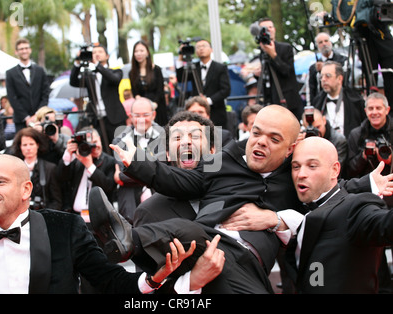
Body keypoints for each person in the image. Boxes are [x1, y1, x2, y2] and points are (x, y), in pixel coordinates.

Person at [108, 104, 393, 293]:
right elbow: (177, 181)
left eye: (273, 138)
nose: (260, 142)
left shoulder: (294, 179)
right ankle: (122, 239)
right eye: (256, 133)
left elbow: (333, 189)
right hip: (206, 242)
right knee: (187, 232)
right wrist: (138, 164)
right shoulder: (222, 164)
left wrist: (369, 183)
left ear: (290, 148)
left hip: (249, 265)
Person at [0, 154, 204, 294]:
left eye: (0, 182)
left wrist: (154, 279)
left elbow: (109, 280)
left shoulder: (64, 227)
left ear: (26, 190)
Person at [286, 136, 393, 293]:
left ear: (335, 170)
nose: (301, 174)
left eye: (312, 166)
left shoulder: (355, 208)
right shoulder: (294, 203)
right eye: (296, 167)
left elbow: (385, 224)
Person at [134, 110, 216, 226]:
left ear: (212, 150)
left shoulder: (233, 193)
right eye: (177, 137)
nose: (186, 142)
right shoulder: (149, 213)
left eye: (196, 136)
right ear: (168, 154)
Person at [112, 97, 165, 224]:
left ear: (153, 115)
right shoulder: (120, 140)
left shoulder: (165, 136)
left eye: (146, 115)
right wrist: (152, 169)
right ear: (130, 116)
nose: (141, 119)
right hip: (131, 196)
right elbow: (124, 175)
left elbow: (165, 171)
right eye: (137, 115)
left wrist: (132, 171)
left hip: (160, 192)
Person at [69, 43, 127, 151]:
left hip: (115, 118)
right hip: (97, 119)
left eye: (100, 52)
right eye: (94, 52)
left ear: (107, 56)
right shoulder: (89, 75)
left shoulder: (115, 71)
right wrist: (77, 62)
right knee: (102, 149)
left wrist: (96, 64)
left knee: (120, 148)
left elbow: (113, 79)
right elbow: (73, 82)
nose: (96, 54)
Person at [58, 127, 117, 219]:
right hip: (76, 216)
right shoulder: (76, 160)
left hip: (100, 217)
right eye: (90, 144)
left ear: (100, 139)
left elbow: (109, 186)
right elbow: (62, 178)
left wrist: (89, 165)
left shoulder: (110, 161)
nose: (94, 146)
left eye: (95, 142)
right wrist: (68, 154)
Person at [347, 93, 393, 203]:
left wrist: (390, 160)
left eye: (378, 108)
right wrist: (363, 156)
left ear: (387, 110)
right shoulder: (356, 134)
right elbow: (350, 171)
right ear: (365, 111)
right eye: (371, 108)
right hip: (366, 193)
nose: (374, 112)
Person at [255, 18, 303, 120]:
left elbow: (287, 72)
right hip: (271, 101)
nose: (268, 30)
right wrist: (257, 75)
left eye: (270, 27)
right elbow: (267, 79)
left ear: (274, 29)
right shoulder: (262, 52)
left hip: (288, 101)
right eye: (264, 28)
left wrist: (273, 55)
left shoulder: (285, 48)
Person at [176, 39, 231, 128]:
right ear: (195, 51)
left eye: (204, 46)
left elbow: (226, 90)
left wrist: (208, 100)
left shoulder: (220, 67)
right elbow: (180, 78)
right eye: (198, 47)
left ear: (211, 49)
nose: (201, 49)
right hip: (196, 114)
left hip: (216, 112)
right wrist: (180, 57)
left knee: (219, 138)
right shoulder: (193, 67)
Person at [10, 128, 62, 211]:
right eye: (25, 145)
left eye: (31, 144)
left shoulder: (50, 168)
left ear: (37, 145)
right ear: (20, 147)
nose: (28, 148)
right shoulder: (13, 169)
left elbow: (56, 201)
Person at [311, 61, 365, 138]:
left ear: (339, 79)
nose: (323, 79)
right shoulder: (318, 101)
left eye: (328, 76)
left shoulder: (356, 101)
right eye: (321, 76)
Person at [6, 38, 50, 131]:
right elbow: (12, 97)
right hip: (21, 120)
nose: (24, 51)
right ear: (16, 52)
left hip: (40, 119)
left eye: (26, 48)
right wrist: (26, 118)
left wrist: (37, 115)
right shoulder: (10, 73)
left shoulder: (40, 70)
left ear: (30, 50)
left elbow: (45, 93)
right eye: (21, 49)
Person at [297, 107, 347, 174]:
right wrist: (298, 146)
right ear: (304, 127)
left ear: (324, 120)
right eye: (309, 128)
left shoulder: (338, 140)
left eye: (317, 127)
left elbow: (334, 172)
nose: (314, 131)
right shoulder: (302, 139)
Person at [129, 40, 168, 126]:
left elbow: (160, 90)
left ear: (147, 53)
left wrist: (154, 104)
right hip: (142, 109)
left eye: (141, 51)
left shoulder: (156, 69)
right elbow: (135, 92)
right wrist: (138, 99)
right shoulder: (132, 72)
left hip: (157, 106)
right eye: (136, 51)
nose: (139, 53)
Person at [306, 32, 348, 105]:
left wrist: (326, 67)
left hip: (343, 101)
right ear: (317, 46)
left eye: (326, 41)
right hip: (321, 104)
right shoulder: (313, 67)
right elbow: (311, 90)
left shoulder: (343, 60)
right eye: (320, 42)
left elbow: (347, 79)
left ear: (330, 42)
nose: (324, 44)